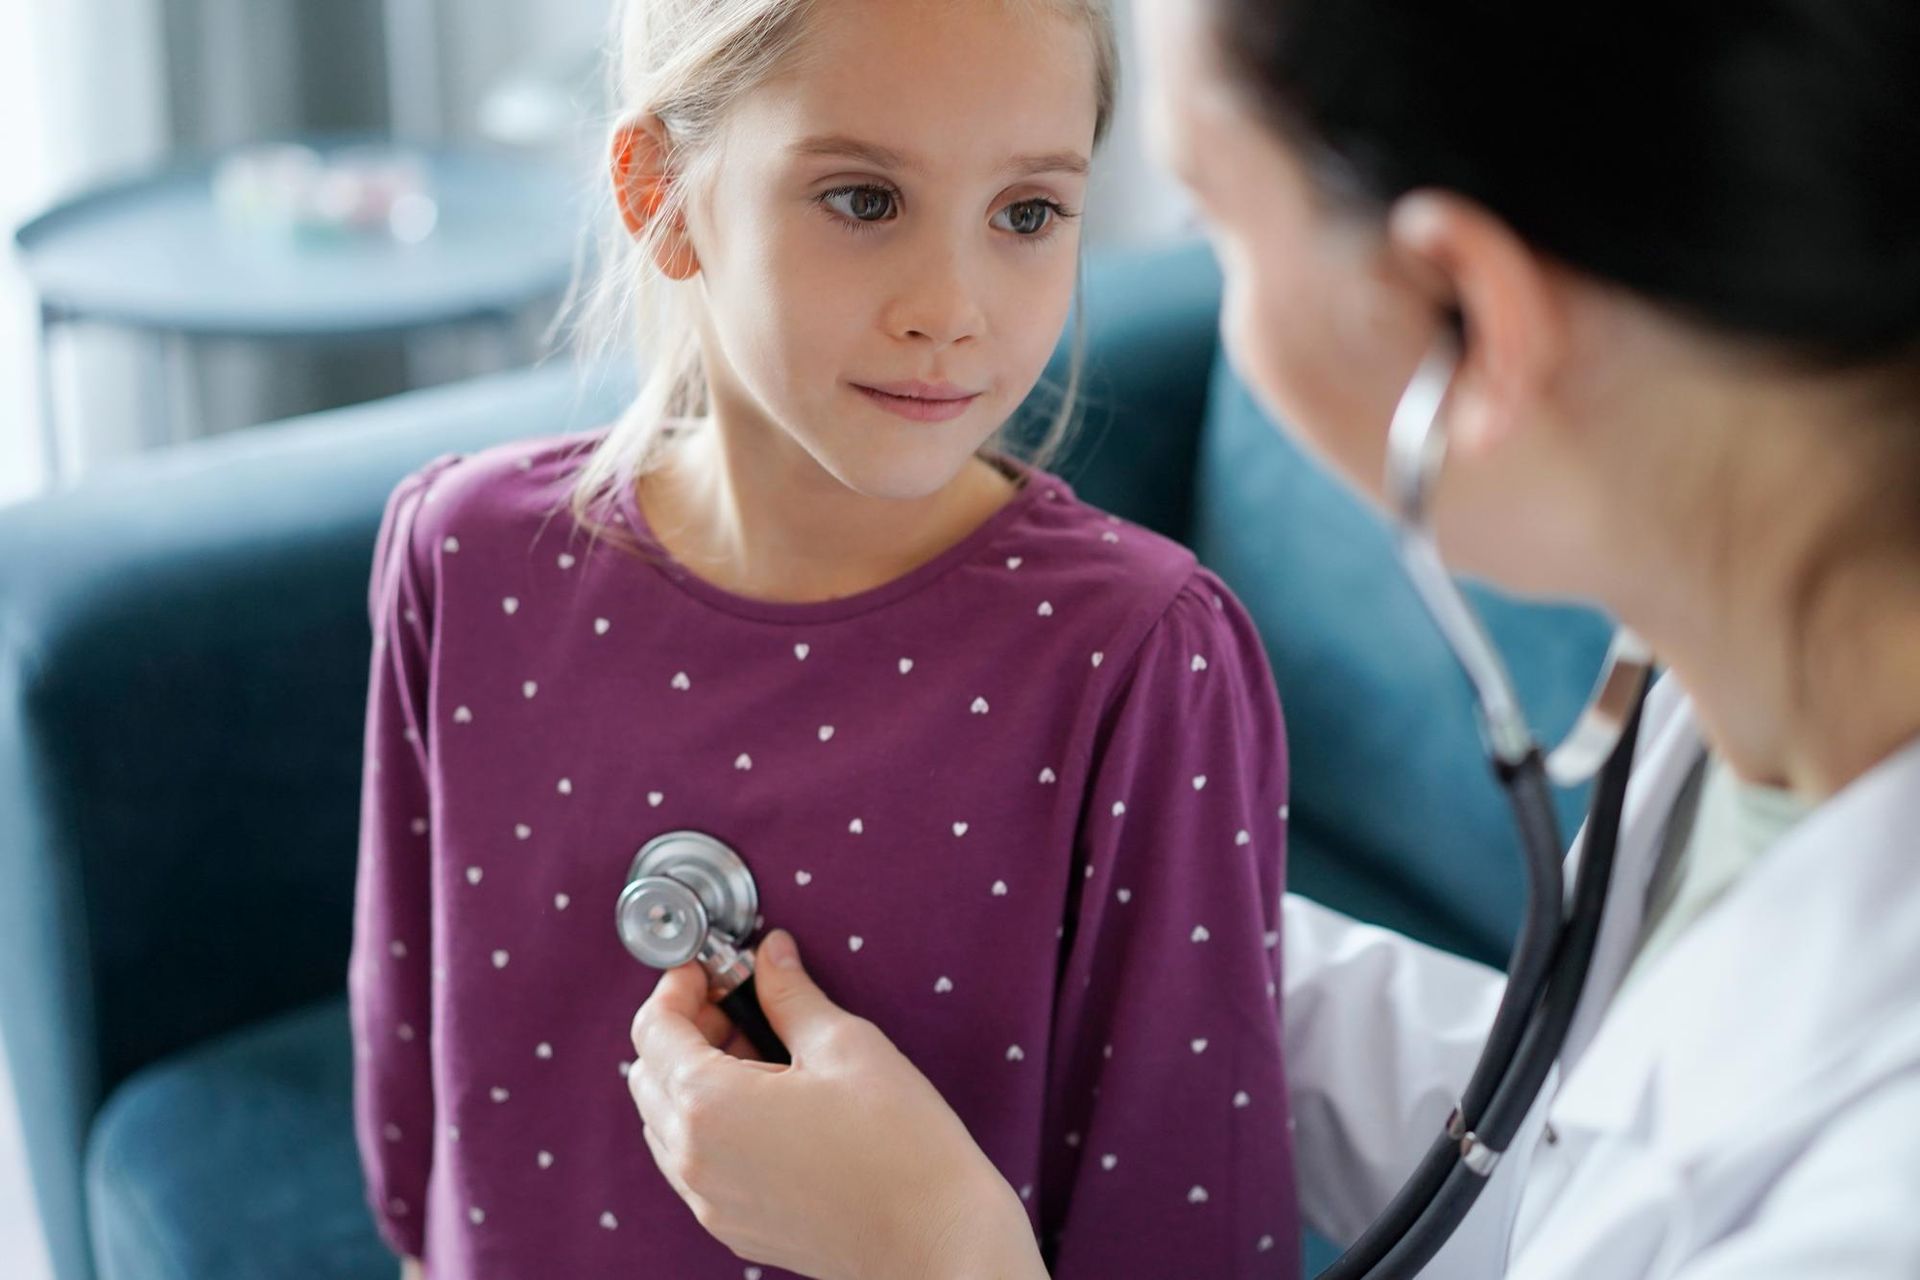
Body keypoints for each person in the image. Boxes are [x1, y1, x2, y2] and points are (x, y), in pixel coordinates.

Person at [626, 0, 1920, 1275]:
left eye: (1219, 226)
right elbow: (1579, 1119)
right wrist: (1108, 918)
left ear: (1470, 322)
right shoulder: (1742, 723)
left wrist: (942, 1262)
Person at [349, 0, 1305, 1276]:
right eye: (863, 199)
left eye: (1027, 213)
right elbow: (414, 1116)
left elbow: (1191, 1231)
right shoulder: (464, 559)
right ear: (663, 193)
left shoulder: (1141, 663)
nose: (951, 307)